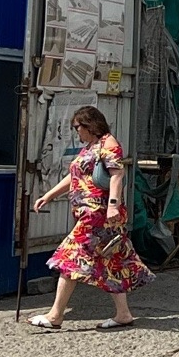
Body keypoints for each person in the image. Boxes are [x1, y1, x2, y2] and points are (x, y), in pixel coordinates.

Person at [31, 105, 151, 330]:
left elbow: (117, 175)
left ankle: (55, 315)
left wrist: (113, 205)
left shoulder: (109, 145)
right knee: (113, 262)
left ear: (90, 125)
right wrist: (48, 195)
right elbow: (74, 176)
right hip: (91, 214)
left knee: (71, 258)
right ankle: (123, 314)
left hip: (98, 215)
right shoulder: (91, 147)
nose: (76, 132)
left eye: (77, 127)